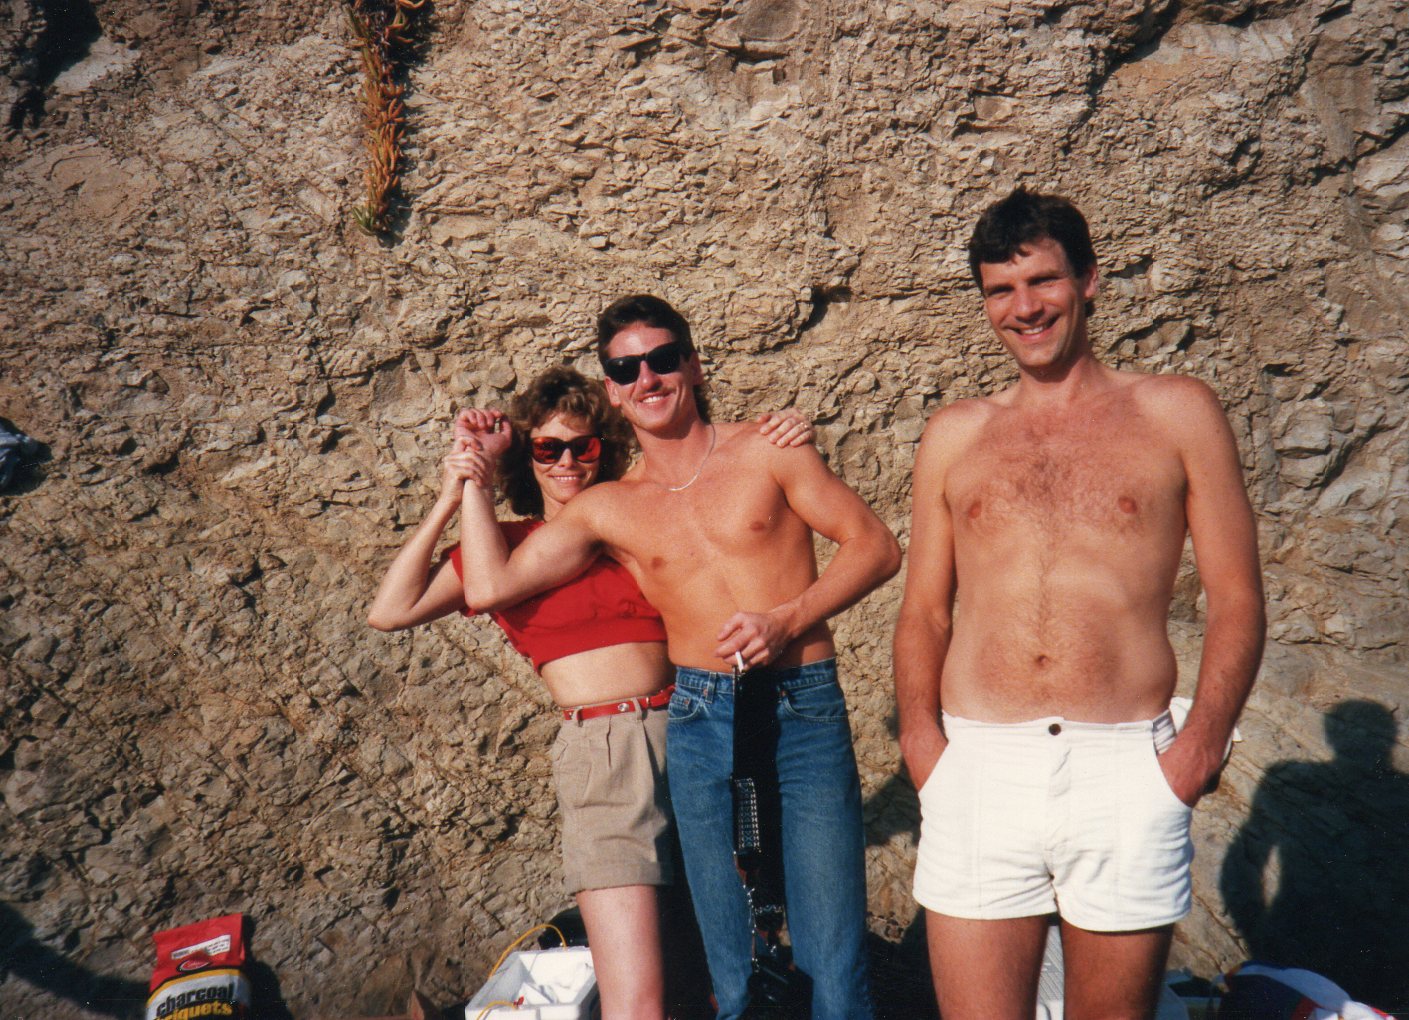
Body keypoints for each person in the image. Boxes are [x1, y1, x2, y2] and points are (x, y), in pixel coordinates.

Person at [454, 295, 902, 1020]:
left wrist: (788, 618)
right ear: (610, 388)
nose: (647, 378)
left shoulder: (768, 447)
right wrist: (473, 473)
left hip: (801, 699)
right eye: (625, 368)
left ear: (692, 365)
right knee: (731, 959)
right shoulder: (609, 508)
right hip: (699, 714)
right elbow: (489, 584)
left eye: (662, 359)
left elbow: (876, 547)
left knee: (832, 959)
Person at [894, 188, 1266, 1020]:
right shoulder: (957, 433)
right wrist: (924, 746)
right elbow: (923, 610)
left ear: (1088, 281)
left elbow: (1236, 595)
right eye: (1000, 289)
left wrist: (1194, 751)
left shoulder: (1174, 411)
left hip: (1124, 769)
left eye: (1041, 282)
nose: (1022, 309)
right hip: (978, 767)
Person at [367, 366, 814, 1020]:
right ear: (530, 459)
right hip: (602, 752)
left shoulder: (634, 522)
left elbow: (729, 497)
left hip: (693, 729)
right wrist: (456, 491)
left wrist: (786, 435)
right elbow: (390, 609)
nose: (568, 461)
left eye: (585, 446)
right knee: (635, 996)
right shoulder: (503, 549)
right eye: (549, 448)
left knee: (727, 974)